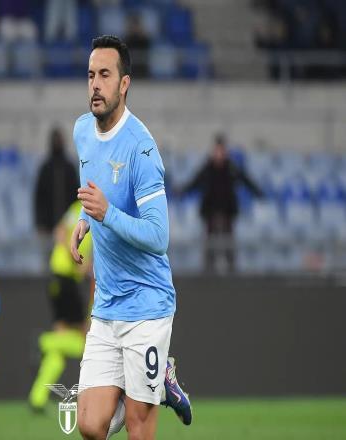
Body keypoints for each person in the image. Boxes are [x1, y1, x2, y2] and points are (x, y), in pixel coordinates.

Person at [70, 35, 191, 440]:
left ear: (124, 84)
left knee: (139, 429)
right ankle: (151, 382)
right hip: (108, 305)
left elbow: (158, 236)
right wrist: (86, 220)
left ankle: (153, 382)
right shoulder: (82, 131)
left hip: (147, 306)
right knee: (90, 425)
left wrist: (107, 213)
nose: (95, 84)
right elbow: (97, 188)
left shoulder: (141, 149)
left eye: (105, 75)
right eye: (91, 75)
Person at [29, 200, 93, 412]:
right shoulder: (82, 208)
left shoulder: (100, 214)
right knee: (82, 337)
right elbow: (60, 231)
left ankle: (37, 398)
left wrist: (86, 265)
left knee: (62, 340)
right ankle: (43, 342)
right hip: (64, 276)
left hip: (64, 278)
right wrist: (73, 254)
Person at [177, 133, 264, 272]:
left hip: (227, 210)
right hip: (210, 210)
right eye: (218, 150)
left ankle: (231, 268)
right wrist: (182, 191)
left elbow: (245, 180)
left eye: (222, 150)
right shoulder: (208, 167)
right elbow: (195, 181)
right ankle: (208, 268)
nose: (220, 153)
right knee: (210, 240)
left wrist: (258, 192)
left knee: (228, 240)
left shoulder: (231, 167)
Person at [34, 126, 79, 234]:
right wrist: (40, 222)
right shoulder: (45, 168)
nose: (57, 143)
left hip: (68, 225)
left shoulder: (69, 168)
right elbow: (39, 198)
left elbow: (76, 197)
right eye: (55, 140)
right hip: (48, 226)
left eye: (59, 140)